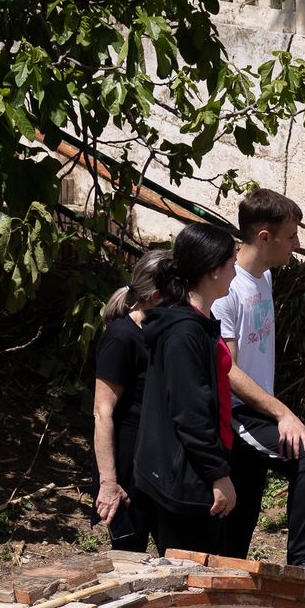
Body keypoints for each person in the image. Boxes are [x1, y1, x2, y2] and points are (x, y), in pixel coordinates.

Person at [213, 189, 305, 567]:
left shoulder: (264, 280)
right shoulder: (226, 290)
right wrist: (282, 413)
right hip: (240, 414)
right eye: (291, 236)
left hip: (259, 411)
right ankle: (301, 563)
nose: (297, 244)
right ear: (265, 237)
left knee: (238, 533)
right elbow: (227, 369)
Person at [136, 223, 241, 556]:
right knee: (192, 582)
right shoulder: (184, 332)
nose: (235, 271)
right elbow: (190, 412)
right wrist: (217, 475)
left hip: (193, 472)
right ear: (212, 270)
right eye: (231, 263)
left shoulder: (194, 324)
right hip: (186, 481)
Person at [91, 250, 169, 553]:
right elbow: (102, 411)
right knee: (129, 558)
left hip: (156, 463)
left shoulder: (159, 332)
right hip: (127, 468)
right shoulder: (121, 337)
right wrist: (108, 483)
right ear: (157, 295)